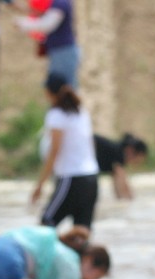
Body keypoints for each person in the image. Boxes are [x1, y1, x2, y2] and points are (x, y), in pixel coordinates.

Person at [31, 74, 99, 230]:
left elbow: (54, 151)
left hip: (71, 178)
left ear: (49, 93)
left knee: (45, 226)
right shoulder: (82, 112)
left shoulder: (56, 115)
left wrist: (40, 185)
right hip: (91, 178)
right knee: (82, 234)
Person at [17, 0, 78, 87]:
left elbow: (47, 25)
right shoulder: (57, 3)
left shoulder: (61, 2)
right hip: (59, 51)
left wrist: (24, 24)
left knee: (65, 88)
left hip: (64, 51)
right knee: (58, 87)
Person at [94, 133, 146, 200]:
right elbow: (121, 187)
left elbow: (119, 185)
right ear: (130, 150)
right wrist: (130, 199)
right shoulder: (119, 156)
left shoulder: (116, 152)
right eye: (137, 160)